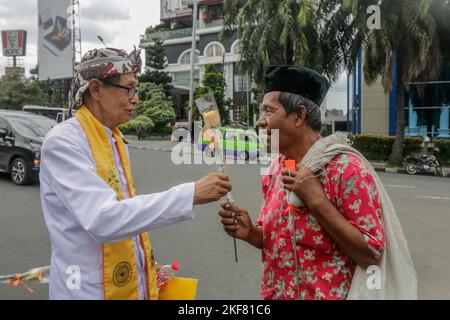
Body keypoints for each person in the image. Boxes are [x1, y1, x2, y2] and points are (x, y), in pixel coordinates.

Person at [40, 47, 231, 300]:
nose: (136, 99)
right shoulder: (64, 142)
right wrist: (190, 194)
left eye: (136, 90)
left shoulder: (115, 139)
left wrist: (144, 271)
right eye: (129, 89)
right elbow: (104, 219)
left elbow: (127, 214)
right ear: (96, 89)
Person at [219, 66, 416, 300]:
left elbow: (372, 255)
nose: (261, 122)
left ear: (299, 116)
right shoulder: (275, 169)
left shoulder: (345, 169)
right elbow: (275, 240)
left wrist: (316, 199)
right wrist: (251, 232)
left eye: (269, 112)